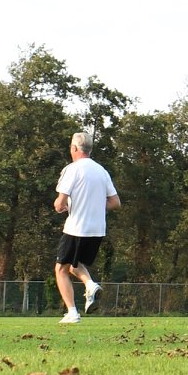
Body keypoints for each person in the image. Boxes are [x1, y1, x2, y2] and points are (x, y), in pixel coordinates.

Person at [52, 130, 120, 324]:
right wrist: (96, 205)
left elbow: (60, 203)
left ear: (74, 148)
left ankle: (72, 312)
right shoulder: (101, 171)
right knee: (74, 265)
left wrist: (60, 205)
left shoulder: (72, 169)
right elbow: (115, 202)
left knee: (60, 269)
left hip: (76, 228)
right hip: (97, 230)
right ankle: (90, 285)